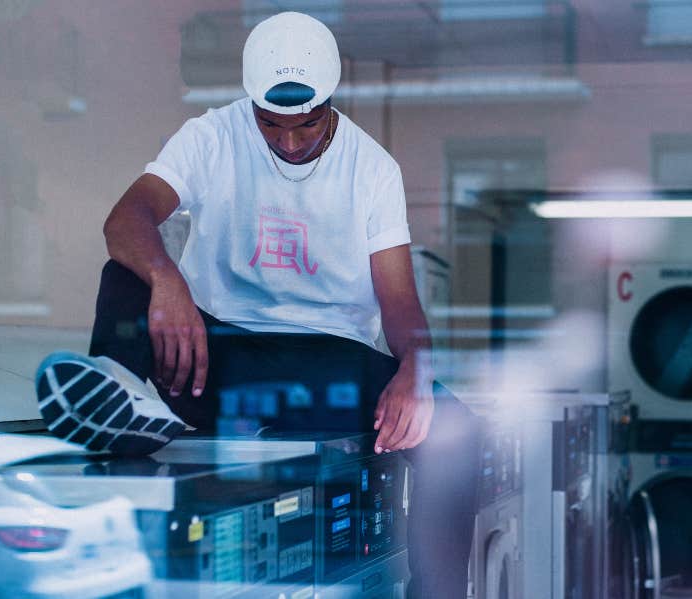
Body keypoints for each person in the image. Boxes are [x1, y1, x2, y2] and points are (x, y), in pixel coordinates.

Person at [34, 12, 480, 598]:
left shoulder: (373, 169)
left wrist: (415, 372)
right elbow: (125, 220)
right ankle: (122, 406)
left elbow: (398, 301)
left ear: (329, 101)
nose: (291, 142)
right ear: (250, 103)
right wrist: (168, 280)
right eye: (272, 126)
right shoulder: (211, 135)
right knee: (126, 275)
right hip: (208, 359)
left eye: (308, 125)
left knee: (459, 433)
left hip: (324, 373)